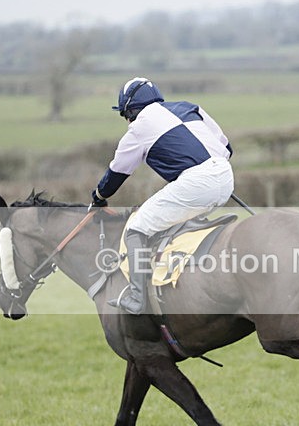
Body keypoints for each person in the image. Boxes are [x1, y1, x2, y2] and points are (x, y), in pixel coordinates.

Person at [91, 77, 235, 314]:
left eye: (124, 115)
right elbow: (227, 148)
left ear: (130, 110)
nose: (126, 120)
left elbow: (118, 171)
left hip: (197, 182)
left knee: (136, 227)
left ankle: (137, 298)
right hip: (225, 174)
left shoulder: (138, 128)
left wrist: (98, 196)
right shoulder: (190, 106)